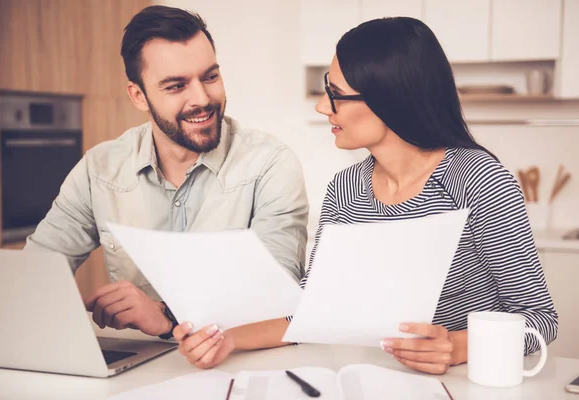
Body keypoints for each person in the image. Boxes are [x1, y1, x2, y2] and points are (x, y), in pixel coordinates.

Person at [173, 16, 558, 374]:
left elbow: (540, 321)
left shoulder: (477, 180)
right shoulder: (345, 190)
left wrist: (457, 347)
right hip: (372, 381)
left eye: (336, 93)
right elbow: (313, 313)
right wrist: (228, 339)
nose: (324, 106)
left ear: (389, 98)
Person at [24, 6, 308, 340]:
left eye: (210, 76)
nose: (202, 98)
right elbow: (32, 275)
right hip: (140, 374)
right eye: (176, 86)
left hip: (237, 368)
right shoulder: (98, 169)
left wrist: (166, 316)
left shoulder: (270, 163)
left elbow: (275, 298)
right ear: (138, 96)